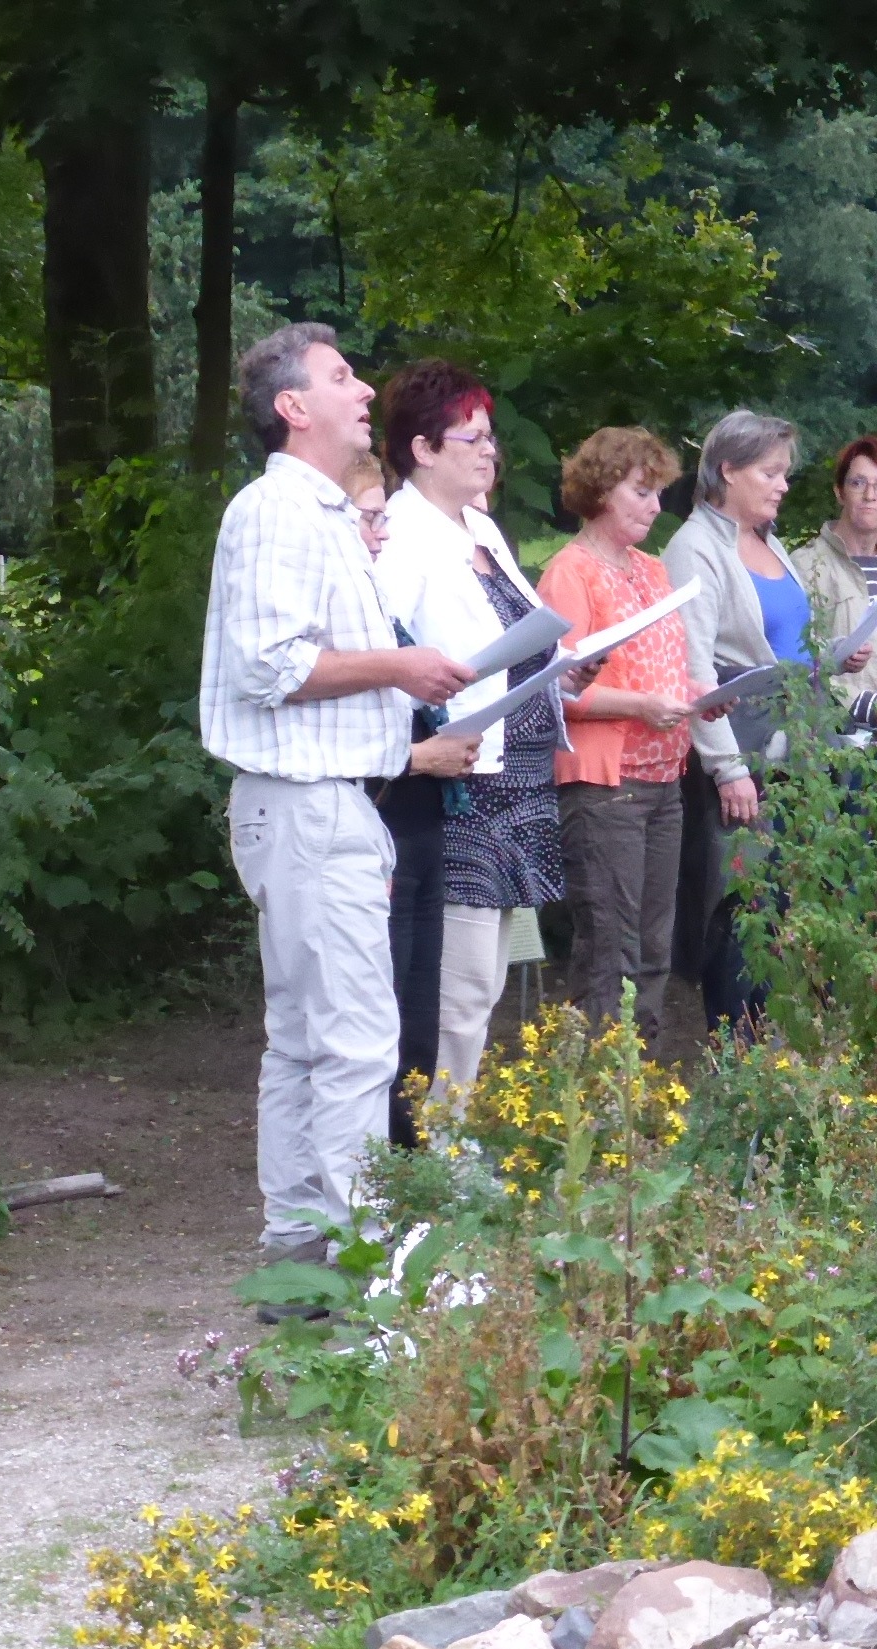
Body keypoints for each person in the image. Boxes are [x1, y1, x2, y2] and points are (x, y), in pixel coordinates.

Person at [198, 323, 473, 1261]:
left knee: (309, 1040)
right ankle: (362, 1262)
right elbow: (270, 665)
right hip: (309, 806)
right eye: (342, 376)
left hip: (322, 803)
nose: (365, 392)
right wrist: (399, 664)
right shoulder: (277, 512)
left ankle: (301, 1249)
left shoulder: (325, 518)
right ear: (293, 407)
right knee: (356, 1041)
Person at [371, 359, 575, 1100]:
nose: (491, 451)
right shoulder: (399, 534)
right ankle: (429, 1155)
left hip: (516, 781)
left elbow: (521, 637)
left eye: (492, 438)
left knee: (486, 985)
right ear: (423, 449)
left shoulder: (482, 526)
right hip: (460, 781)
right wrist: (416, 748)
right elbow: (387, 648)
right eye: (473, 438)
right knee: (452, 992)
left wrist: (566, 669)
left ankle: (448, 1146)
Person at [543, 427, 698, 1050]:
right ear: (603, 490)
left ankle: (646, 1096)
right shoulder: (569, 572)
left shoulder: (654, 571)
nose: (655, 506)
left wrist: (698, 701)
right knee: (611, 945)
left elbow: (668, 665)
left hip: (665, 779)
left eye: (658, 492)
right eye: (642, 491)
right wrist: (645, 704)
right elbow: (561, 689)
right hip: (607, 786)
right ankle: (601, 1108)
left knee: (656, 943)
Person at [344, 453, 481, 1148]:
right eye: (371, 517)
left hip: (426, 817)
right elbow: (326, 736)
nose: (383, 531)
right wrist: (419, 755)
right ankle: (378, 1161)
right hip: (376, 818)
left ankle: (414, 1148)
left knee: (421, 1001)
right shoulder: (336, 621)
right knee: (384, 1001)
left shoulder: (377, 608)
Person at [665, 409, 813, 1033]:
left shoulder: (771, 540)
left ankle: (769, 1057)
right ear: (727, 469)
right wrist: (726, 770)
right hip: (740, 754)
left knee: (779, 907)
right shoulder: (694, 547)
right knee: (736, 908)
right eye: (770, 472)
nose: (782, 485)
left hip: (794, 749)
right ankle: (735, 1057)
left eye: (785, 473)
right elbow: (695, 667)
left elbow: (782, 640)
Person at [795, 435, 877, 729]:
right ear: (840, 492)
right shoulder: (806, 565)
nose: (870, 495)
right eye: (857, 483)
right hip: (842, 742)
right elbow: (798, 661)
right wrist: (870, 706)